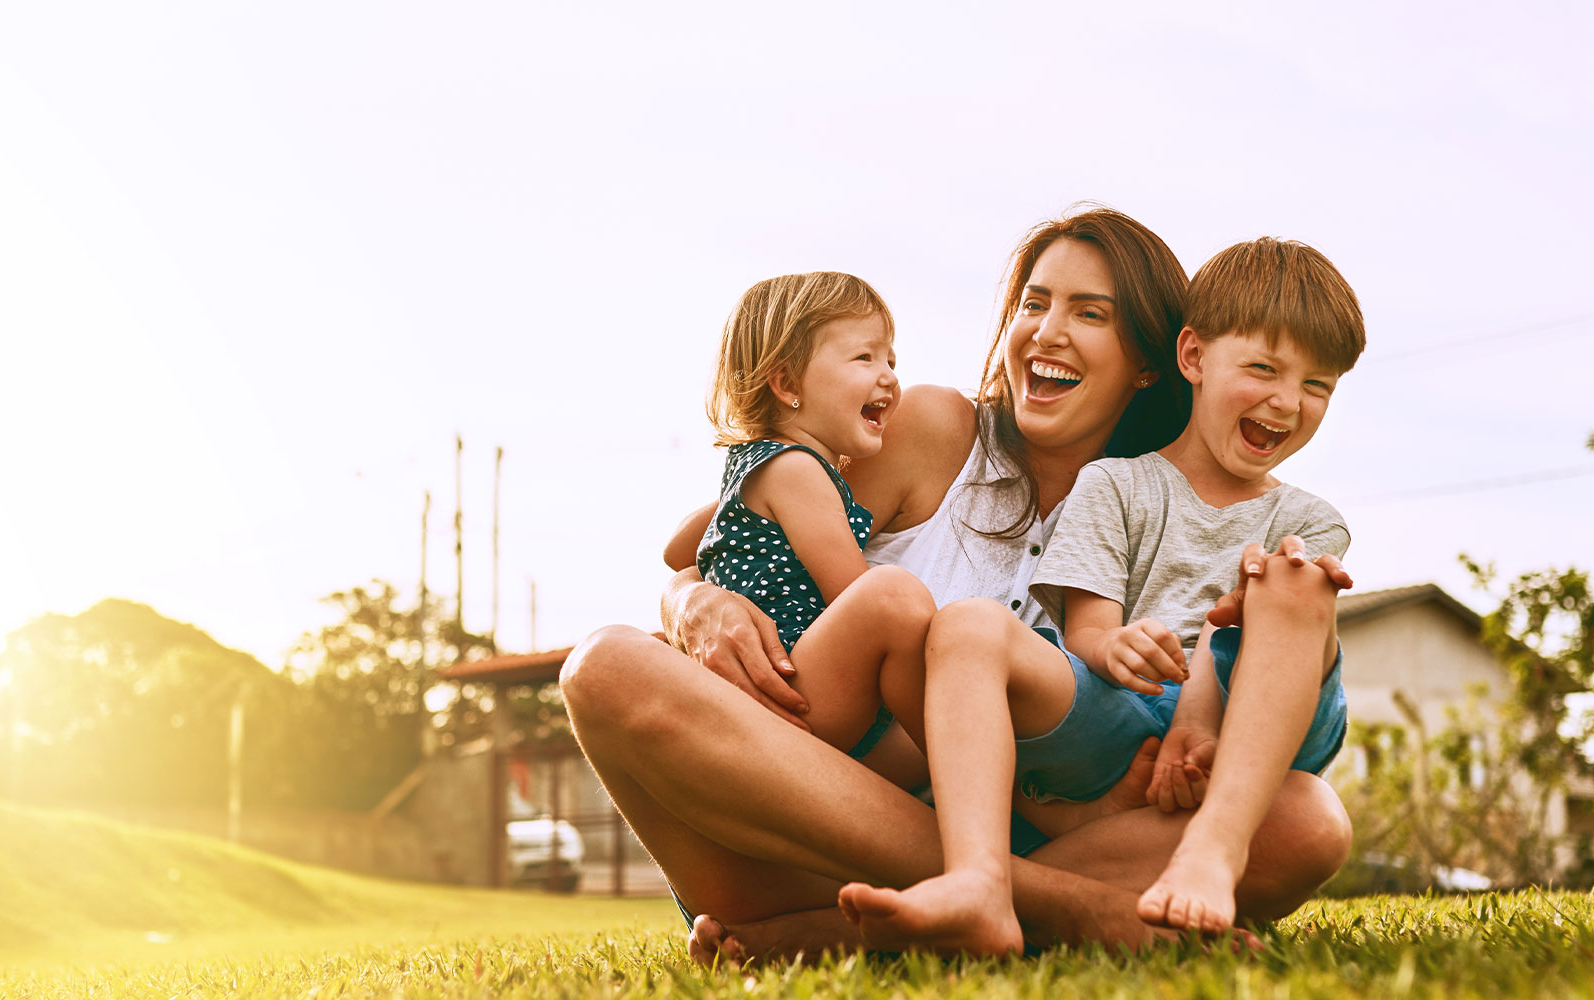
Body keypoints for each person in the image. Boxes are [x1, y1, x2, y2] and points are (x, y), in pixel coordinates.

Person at [560, 208, 1353, 960]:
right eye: (1033, 303)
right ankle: (1054, 906)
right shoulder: (932, 430)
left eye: (1089, 313)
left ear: (1151, 362)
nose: (1046, 331)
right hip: (794, 831)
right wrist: (695, 601)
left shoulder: (1171, 510)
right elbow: (738, 527)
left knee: (1305, 821)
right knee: (604, 666)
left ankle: (873, 922)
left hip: (1046, 838)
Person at [835, 237, 1363, 953]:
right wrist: (1113, 645)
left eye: (1316, 386)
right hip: (1128, 711)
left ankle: (1213, 848)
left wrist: (1201, 721)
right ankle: (979, 883)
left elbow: (1244, 638)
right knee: (967, 626)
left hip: (1253, 723)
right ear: (1193, 359)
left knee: (1291, 584)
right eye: (1264, 369)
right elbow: (1085, 630)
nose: (1284, 401)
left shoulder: (1307, 520)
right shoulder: (1114, 483)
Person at [695, 271, 934, 758]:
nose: (888, 375)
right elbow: (856, 595)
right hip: (795, 689)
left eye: (891, 358)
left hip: (786, 693)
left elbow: (683, 548)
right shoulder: (797, 470)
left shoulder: (755, 463)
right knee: (894, 596)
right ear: (786, 383)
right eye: (864, 357)